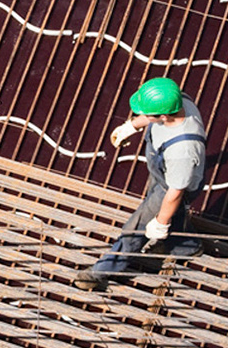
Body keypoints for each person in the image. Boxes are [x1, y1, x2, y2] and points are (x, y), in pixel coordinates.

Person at [80, 76, 206, 286]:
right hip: (165, 172)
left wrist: (160, 222)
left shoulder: (183, 151)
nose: (143, 116)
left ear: (164, 116)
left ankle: (101, 273)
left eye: (146, 114)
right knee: (177, 214)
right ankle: (188, 246)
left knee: (135, 229)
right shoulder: (178, 101)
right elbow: (154, 113)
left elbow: (175, 193)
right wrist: (133, 125)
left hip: (171, 187)